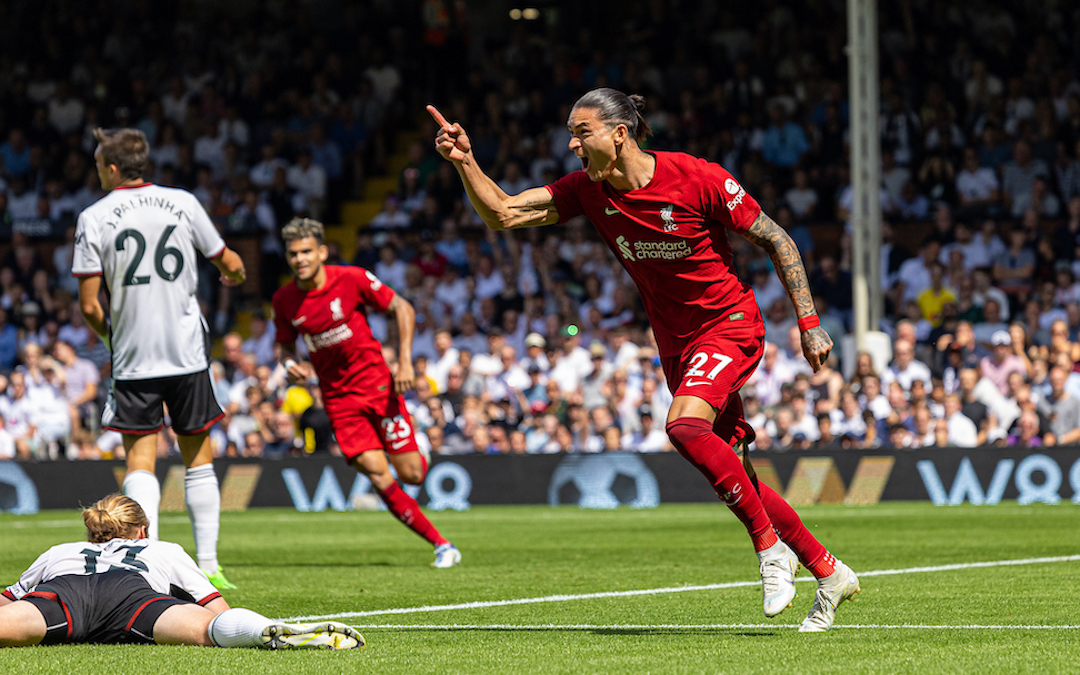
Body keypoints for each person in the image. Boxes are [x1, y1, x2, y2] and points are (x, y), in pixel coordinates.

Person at [429, 89, 859, 631]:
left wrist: (810, 322)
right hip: (676, 344)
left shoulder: (697, 177)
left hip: (729, 326)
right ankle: (827, 570)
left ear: (619, 134)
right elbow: (503, 214)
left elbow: (777, 239)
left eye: (581, 132)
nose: (571, 144)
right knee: (739, 473)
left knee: (682, 427)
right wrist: (465, 161)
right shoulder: (587, 190)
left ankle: (771, 552)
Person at [72, 128, 247, 590]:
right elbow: (225, 259)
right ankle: (209, 564)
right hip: (187, 351)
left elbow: (90, 305)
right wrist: (236, 273)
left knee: (141, 464)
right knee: (199, 458)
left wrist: (113, 337)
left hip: (134, 358)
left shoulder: (94, 216)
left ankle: (146, 564)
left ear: (111, 168)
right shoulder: (183, 202)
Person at [271, 218, 460, 568]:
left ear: (322, 252)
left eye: (307, 252)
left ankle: (415, 449)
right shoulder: (284, 300)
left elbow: (401, 307)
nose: (300, 259)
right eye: (294, 253)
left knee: (413, 475)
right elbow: (283, 345)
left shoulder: (352, 279)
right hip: (340, 401)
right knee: (377, 473)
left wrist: (404, 362)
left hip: (378, 387)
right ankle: (441, 545)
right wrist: (288, 364)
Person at [0, 495, 363, 650]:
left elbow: (6, 599)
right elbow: (218, 609)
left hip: (64, 592)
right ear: (142, 529)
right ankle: (263, 630)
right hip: (134, 597)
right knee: (210, 631)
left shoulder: (61, 552)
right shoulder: (163, 549)